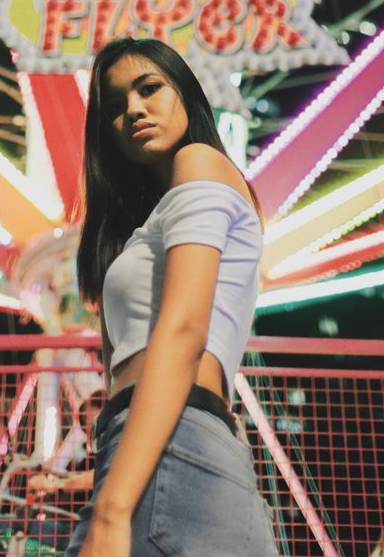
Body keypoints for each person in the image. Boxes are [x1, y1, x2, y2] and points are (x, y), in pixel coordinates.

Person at [61, 36, 279, 557]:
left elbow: (183, 331)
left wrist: (113, 510)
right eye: (115, 106)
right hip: (148, 444)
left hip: (175, 443)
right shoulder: (136, 232)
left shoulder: (201, 162)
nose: (133, 109)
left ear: (186, 93)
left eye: (149, 87)